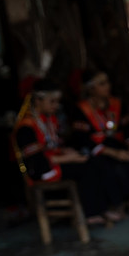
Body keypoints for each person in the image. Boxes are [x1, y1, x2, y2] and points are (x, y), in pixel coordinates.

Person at [13, 79, 120, 224]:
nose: (56, 106)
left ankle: (101, 209)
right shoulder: (26, 126)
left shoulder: (49, 119)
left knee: (95, 162)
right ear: (38, 101)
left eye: (57, 102)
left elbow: (52, 146)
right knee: (86, 168)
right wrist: (70, 158)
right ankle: (91, 213)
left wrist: (67, 152)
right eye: (52, 102)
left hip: (53, 161)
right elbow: (36, 160)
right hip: (42, 170)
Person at [71, 70, 129, 212]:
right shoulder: (81, 110)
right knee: (105, 167)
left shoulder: (117, 104)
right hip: (99, 150)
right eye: (102, 84)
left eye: (107, 82)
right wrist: (114, 153)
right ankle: (117, 204)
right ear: (91, 89)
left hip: (120, 145)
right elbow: (82, 139)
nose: (107, 86)